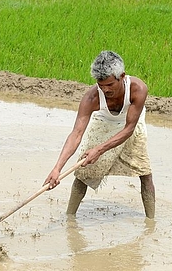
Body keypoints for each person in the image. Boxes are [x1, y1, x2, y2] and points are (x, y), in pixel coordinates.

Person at [43, 50, 155, 219]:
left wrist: (99, 149)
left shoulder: (138, 89)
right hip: (104, 121)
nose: (105, 89)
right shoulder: (92, 97)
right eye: (100, 85)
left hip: (131, 124)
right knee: (83, 170)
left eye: (110, 85)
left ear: (122, 76)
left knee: (144, 172)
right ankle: (69, 218)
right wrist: (57, 168)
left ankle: (151, 221)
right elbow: (76, 134)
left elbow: (128, 129)